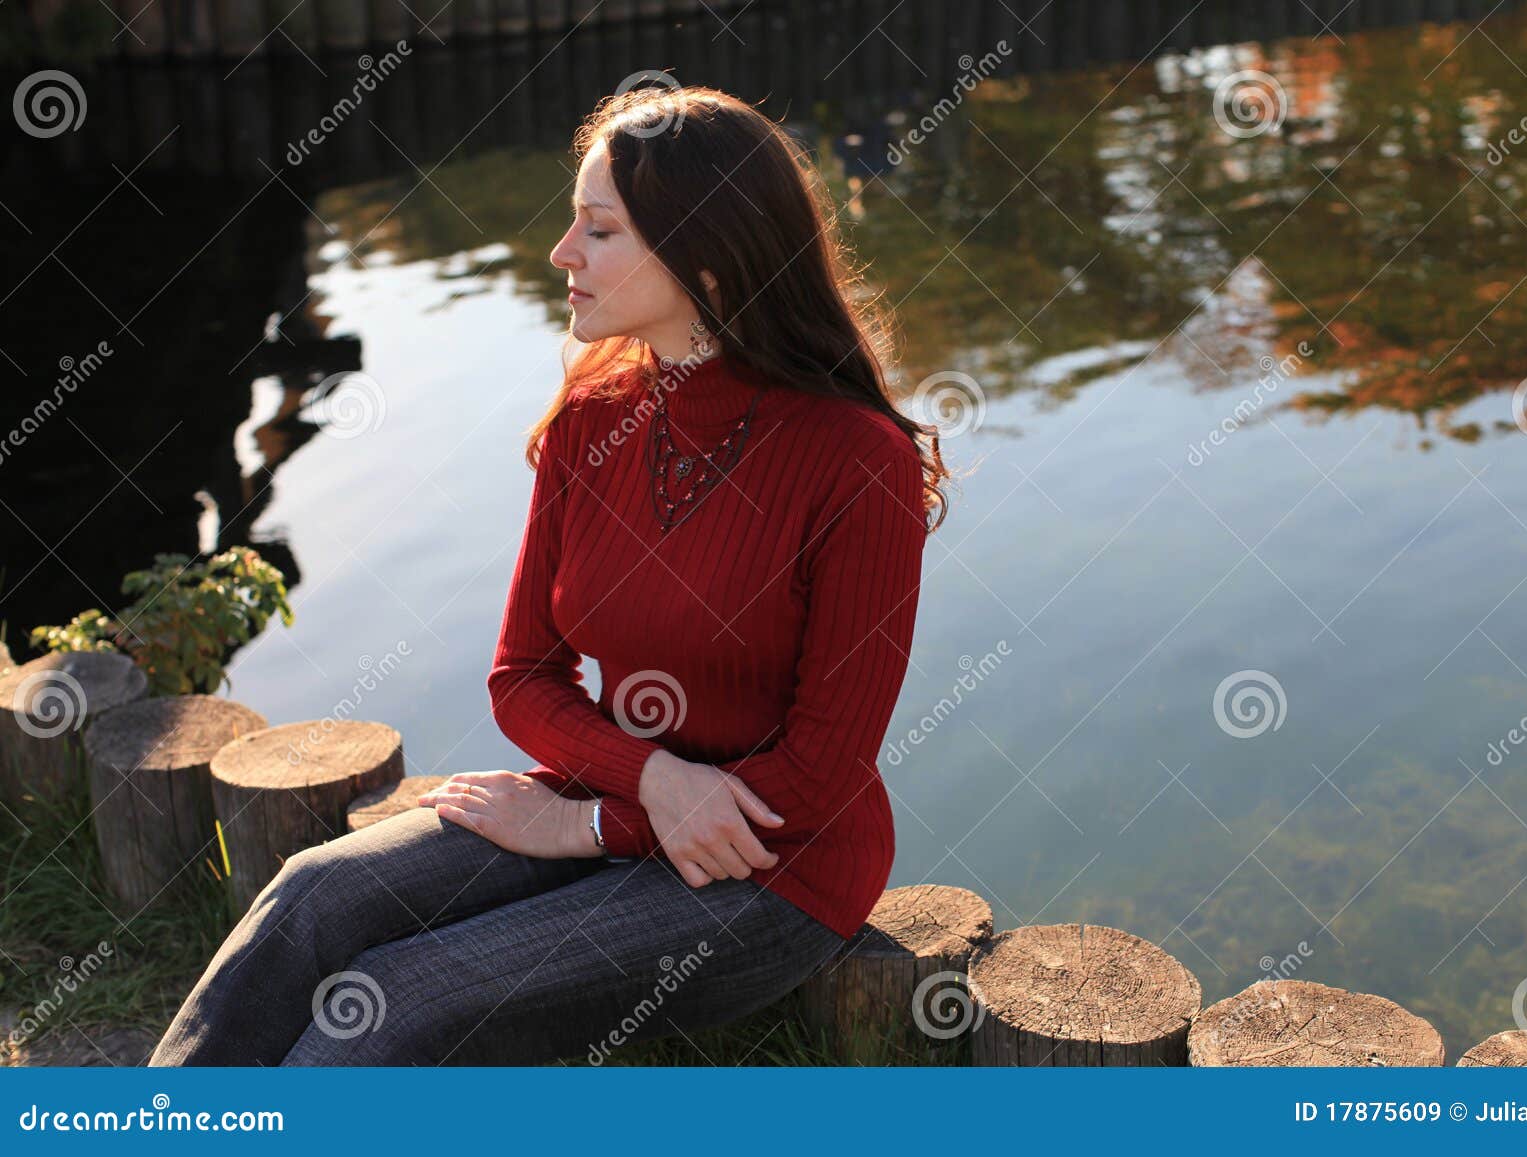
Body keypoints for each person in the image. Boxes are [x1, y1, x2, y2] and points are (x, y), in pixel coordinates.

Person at [147, 83, 949, 1067]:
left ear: (706, 251)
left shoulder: (853, 458)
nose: (563, 253)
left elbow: (818, 778)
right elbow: (522, 677)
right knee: (308, 900)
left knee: (404, 996)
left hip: (776, 870)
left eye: (597, 230)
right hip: (617, 800)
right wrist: (648, 783)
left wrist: (587, 825)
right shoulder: (593, 417)